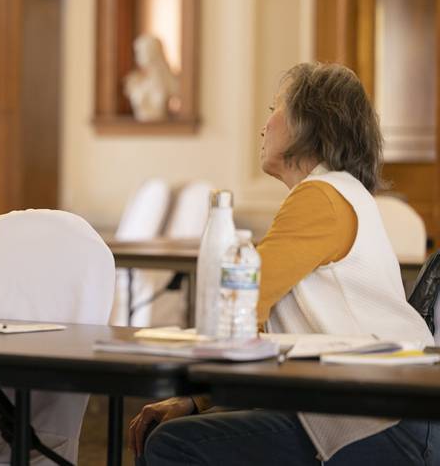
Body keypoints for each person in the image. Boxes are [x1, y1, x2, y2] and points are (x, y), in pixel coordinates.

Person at [130, 62, 438, 465]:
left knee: (172, 444)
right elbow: (250, 314)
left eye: (274, 108)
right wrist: (196, 400)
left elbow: (239, 305)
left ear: (309, 123)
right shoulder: (343, 193)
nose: (263, 127)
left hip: (381, 419)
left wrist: (193, 397)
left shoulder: (321, 197)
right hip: (400, 412)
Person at [123, 34, 180, 122]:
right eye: (137, 52)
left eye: (140, 52)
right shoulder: (134, 81)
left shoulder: (169, 81)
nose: (137, 56)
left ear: (152, 52)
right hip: (138, 132)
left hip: (163, 131)